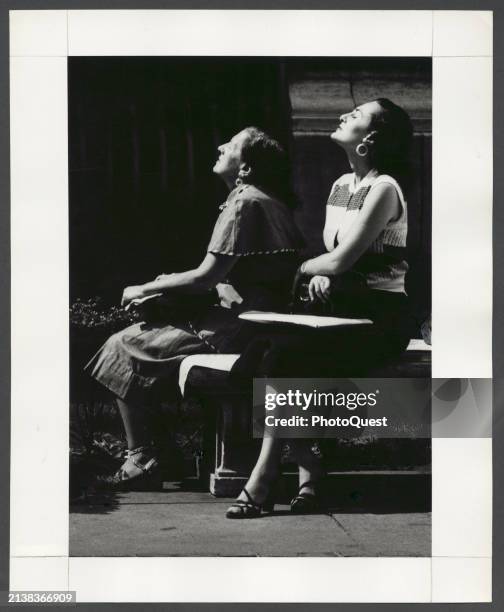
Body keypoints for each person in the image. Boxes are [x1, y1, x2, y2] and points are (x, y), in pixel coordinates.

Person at [226, 98, 414, 518]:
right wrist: (322, 273)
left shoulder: (384, 188)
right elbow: (336, 258)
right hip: (341, 309)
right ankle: (310, 476)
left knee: (288, 358)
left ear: (371, 138)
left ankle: (264, 478)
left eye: (357, 115)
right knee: (270, 355)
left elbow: (342, 259)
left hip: (380, 318)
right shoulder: (341, 186)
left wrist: (315, 269)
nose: (346, 115)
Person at [85, 126, 304, 489]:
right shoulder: (266, 200)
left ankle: (143, 456)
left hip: (241, 329)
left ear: (246, 168)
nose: (219, 146)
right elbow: (237, 276)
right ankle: (160, 455)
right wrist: (171, 287)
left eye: (231, 145)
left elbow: (206, 277)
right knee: (140, 337)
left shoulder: (244, 202)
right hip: (256, 322)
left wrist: (145, 287)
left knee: (122, 345)